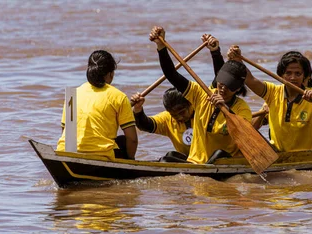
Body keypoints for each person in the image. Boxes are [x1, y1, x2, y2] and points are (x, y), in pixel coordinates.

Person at [149, 26, 252, 164]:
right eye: (221, 84)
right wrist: (161, 46)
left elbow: (245, 136)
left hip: (221, 162)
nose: (223, 89)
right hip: (195, 162)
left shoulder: (242, 109)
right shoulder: (201, 94)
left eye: (229, 86)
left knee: (219, 154)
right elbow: (171, 75)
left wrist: (226, 109)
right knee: (167, 159)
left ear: (238, 88)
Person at [228, 47, 312, 152]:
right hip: (283, 154)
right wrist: (238, 61)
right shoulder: (272, 92)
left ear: (304, 76)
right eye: (288, 73)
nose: (293, 78)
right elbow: (250, 79)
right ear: (281, 75)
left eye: (298, 74)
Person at [130, 34, 223, 162]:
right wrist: (138, 109)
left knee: (219, 154)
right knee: (168, 157)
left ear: (191, 103)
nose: (179, 117)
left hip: (214, 158)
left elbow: (221, 83)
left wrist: (215, 52)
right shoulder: (168, 119)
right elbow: (145, 125)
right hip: (192, 161)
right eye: (174, 115)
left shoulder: (204, 106)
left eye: (181, 112)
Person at [56, 50, 138, 160]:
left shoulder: (72, 95)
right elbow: (132, 139)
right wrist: (130, 160)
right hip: (101, 155)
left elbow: (65, 132)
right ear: (110, 73)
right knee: (123, 141)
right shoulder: (119, 96)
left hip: (65, 152)